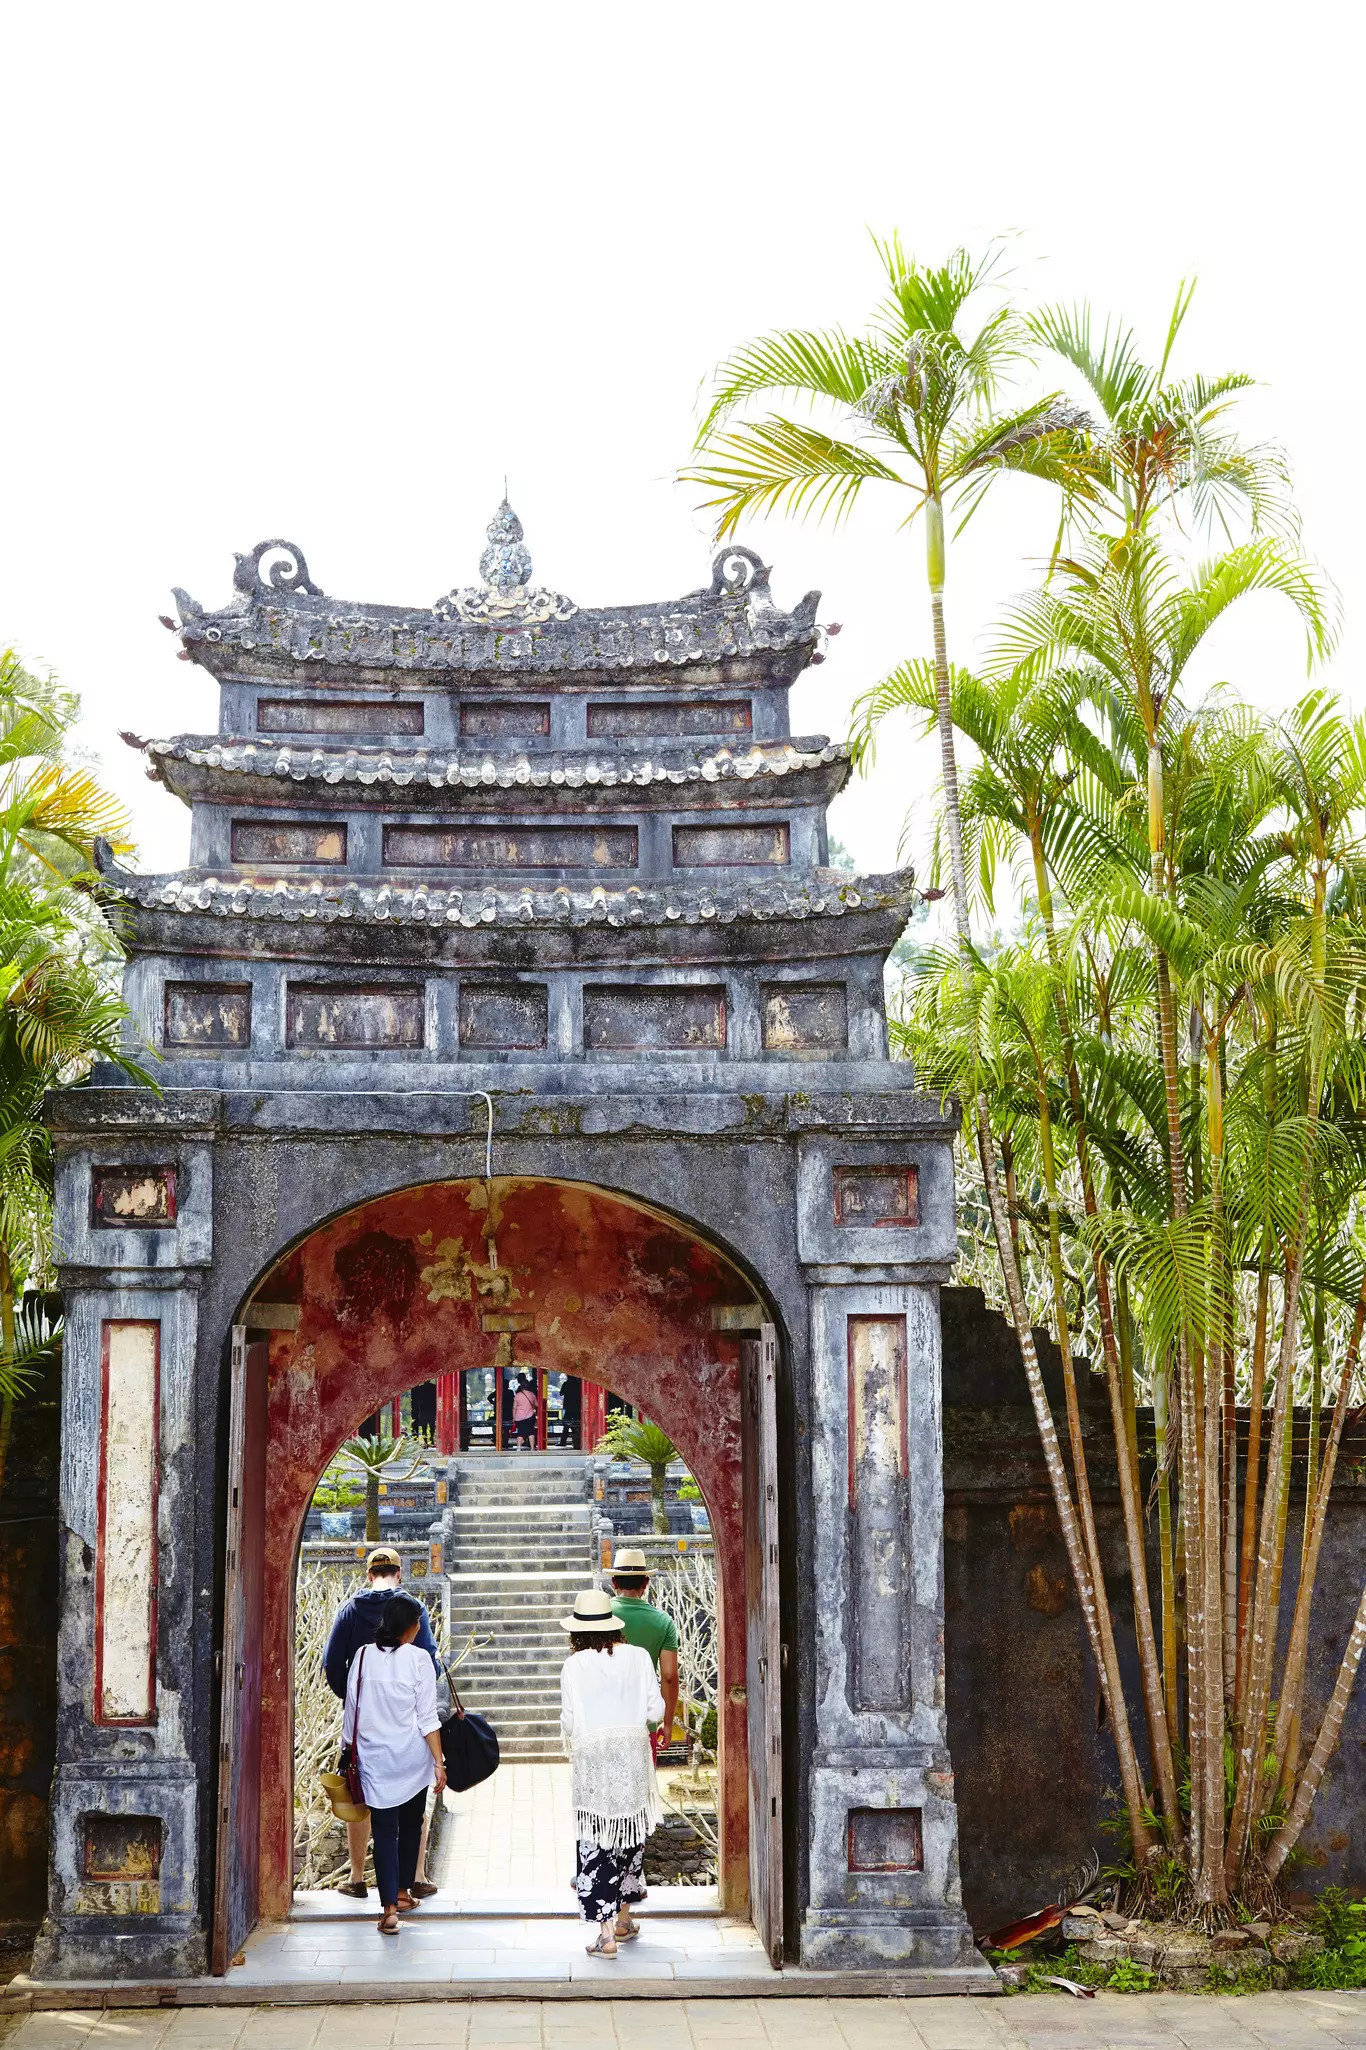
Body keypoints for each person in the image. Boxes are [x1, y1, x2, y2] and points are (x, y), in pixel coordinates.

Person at [323, 1545, 441, 1899]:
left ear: (368, 1573)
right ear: (399, 1572)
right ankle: (415, 1877)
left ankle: (358, 1877)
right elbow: (431, 1665)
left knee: (362, 1799)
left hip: (364, 1727)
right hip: (407, 1728)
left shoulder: (349, 1611)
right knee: (410, 1806)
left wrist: (357, 1699)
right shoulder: (412, 1611)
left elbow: (331, 1665)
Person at [559, 1588, 663, 1958]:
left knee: (596, 1842)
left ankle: (605, 1935)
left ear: (577, 1632)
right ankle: (623, 1916)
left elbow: (570, 1723)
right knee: (628, 1837)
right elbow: (656, 1710)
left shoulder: (574, 1665)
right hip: (631, 1761)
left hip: (594, 1763)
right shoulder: (637, 1657)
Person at [343, 1593, 447, 1935]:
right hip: (411, 1758)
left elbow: (352, 1711)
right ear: (414, 1627)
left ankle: (389, 1908)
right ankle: (403, 1891)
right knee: (412, 1821)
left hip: (374, 1760)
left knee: (385, 1831)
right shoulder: (420, 1660)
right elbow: (427, 1718)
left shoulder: (361, 1657)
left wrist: (348, 1751)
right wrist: (438, 1762)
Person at [608, 1546, 680, 1929]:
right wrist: (667, 1722)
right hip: (641, 1730)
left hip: (600, 1730)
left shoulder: (599, 1618)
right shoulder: (661, 1621)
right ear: (646, 1583)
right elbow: (668, 1677)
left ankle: (600, 1902)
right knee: (633, 1814)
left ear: (614, 1582)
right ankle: (624, 1912)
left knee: (602, 1812)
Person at [510, 1375, 537, 1450]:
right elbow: (537, 1404)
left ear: (521, 1386)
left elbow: (514, 1407)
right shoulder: (532, 1394)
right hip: (530, 1416)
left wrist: (513, 1417)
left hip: (519, 1417)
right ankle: (532, 1448)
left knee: (520, 1433)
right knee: (531, 1432)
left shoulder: (517, 1395)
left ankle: (519, 1447)